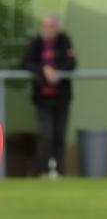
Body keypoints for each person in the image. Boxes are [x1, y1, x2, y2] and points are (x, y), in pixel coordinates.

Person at [21, 14, 76, 177]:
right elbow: (26, 63)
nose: (46, 29)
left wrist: (58, 72)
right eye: (44, 25)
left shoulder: (64, 41)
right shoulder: (36, 42)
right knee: (46, 135)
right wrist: (44, 70)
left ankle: (59, 171)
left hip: (61, 98)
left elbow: (71, 63)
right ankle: (43, 171)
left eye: (50, 26)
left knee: (60, 134)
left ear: (58, 28)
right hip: (43, 98)